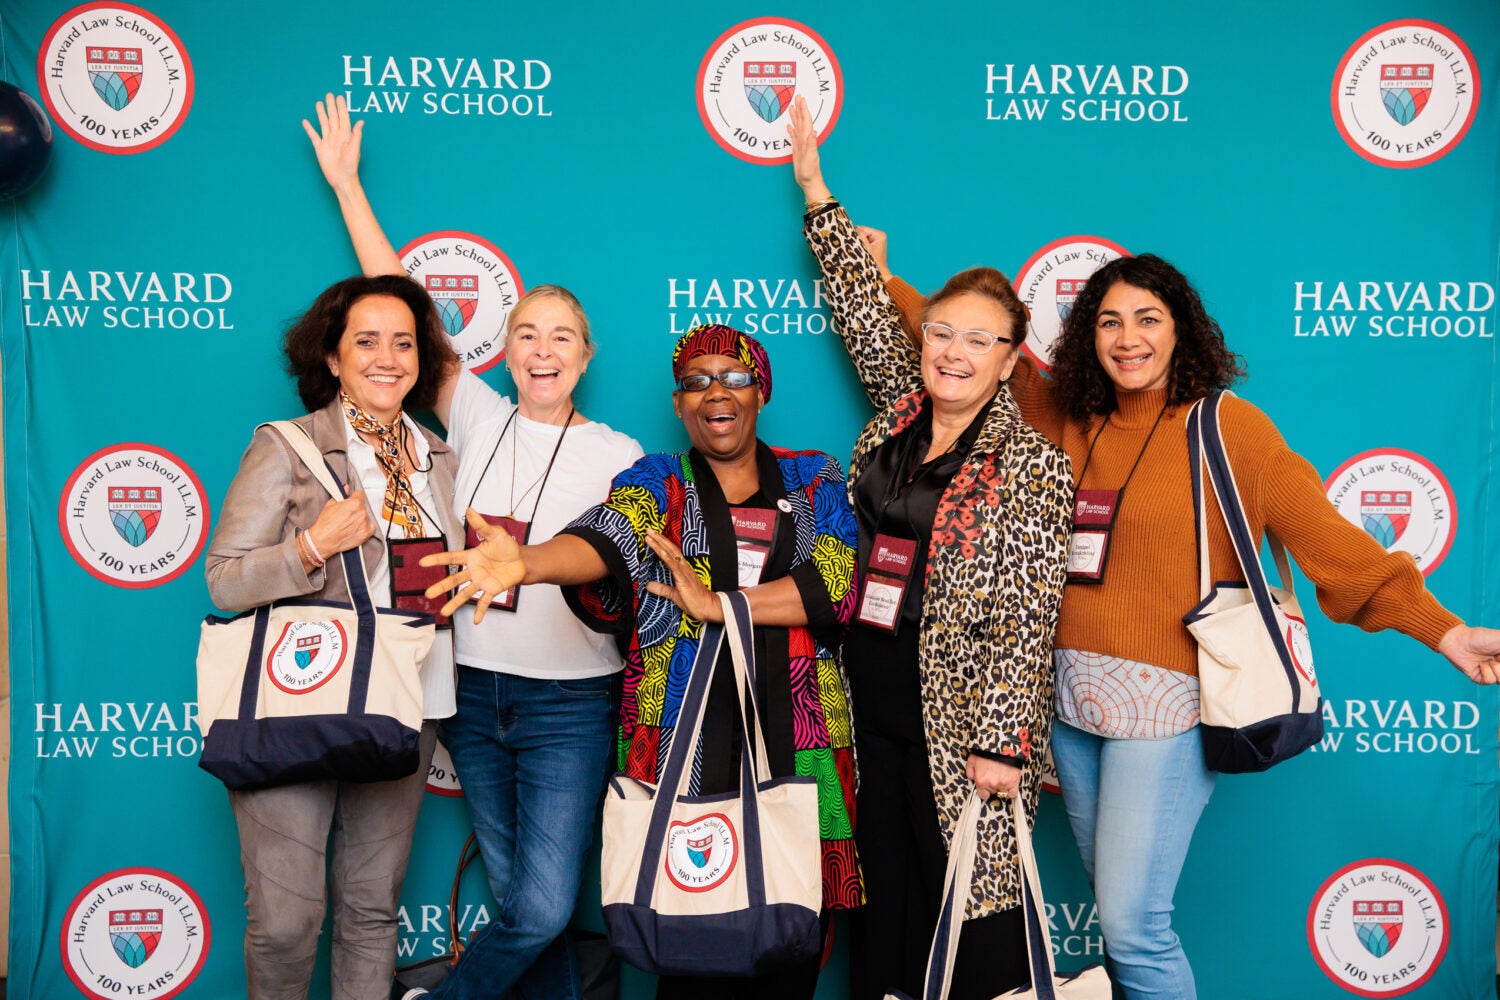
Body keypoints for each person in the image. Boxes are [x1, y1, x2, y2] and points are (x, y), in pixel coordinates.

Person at [864, 235, 1500, 999]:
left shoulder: (1230, 430)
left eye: (1147, 318)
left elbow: (1325, 538)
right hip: (1069, 709)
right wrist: (884, 276)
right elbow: (963, 343)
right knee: (1116, 918)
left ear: (1181, 329)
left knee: (1136, 929)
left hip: (1165, 708)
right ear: (1084, 337)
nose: (1127, 338)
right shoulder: (1067, 415)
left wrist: (1443, 629)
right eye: (1107, 321)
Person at [303, 95, 644, 1000]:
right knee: (516, 904)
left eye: (561, 337)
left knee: (537, 910)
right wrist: (347, 188)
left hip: (572, 700)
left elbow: (634, 568)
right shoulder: (474, 410)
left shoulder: (622, 457)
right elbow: (403, 299)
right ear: (506, 349)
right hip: (470, 690)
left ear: (585, 356)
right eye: (526, 332)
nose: (542, 348)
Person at [420, 323, 862, 1000]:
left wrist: (720, 605)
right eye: (696, 383)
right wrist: (530, 563)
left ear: (761, 392)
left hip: (800, 742)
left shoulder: (813, 476)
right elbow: (610, 535)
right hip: (678, 745)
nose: (716, 392)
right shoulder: (659, 479)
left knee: (791, 944)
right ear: (680, 405)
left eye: (734, 378)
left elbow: (835, 582)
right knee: (687, 943)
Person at [785, 98, 1074, 999]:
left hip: (959, 721)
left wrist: (1002, 742)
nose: (952, 351)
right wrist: (814, 190)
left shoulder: (1031, 465)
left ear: (1010, 358)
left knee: (971, 913)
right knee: (888, 897)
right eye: (941, 332)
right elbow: (864, 310)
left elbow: (1028, 622)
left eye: (977, 341)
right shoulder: (900, 415)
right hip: (867, 687)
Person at [205, 274, 464, 1000]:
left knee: (371, 910)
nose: (388, 357)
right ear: (333, 356)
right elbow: (223, 579)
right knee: (286, 923)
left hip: (410, 706)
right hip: (300, 705)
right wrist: (310, 547)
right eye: (367, 341)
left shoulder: (438, 458)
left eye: (405, 342)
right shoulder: (288, 447)